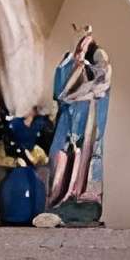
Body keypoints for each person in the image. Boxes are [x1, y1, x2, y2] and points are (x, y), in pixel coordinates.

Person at [45, 31, 113, 223]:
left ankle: (85, 199)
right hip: (67, 122)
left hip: (88, 124)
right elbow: (61, 92)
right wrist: (76, 62)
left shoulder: (100, 67)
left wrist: (85, 67)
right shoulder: (69, 64)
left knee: (89, 159)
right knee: (57, 154)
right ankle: (58, 199)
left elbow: (101, 83)